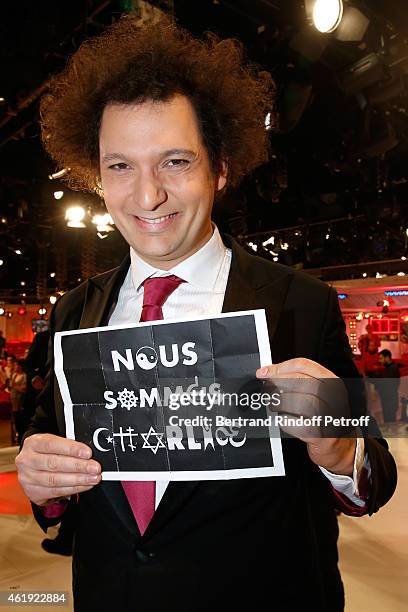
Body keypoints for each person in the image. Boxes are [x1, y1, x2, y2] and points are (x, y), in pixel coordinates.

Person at [15, 15, 396, 612]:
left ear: (219, 168)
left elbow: (375, 475)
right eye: (120, 166)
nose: (146, 196)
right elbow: (50, 453)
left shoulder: (298, 303)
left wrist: (340, 451)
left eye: (175, 162)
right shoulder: (73, 313)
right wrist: (44, 483)